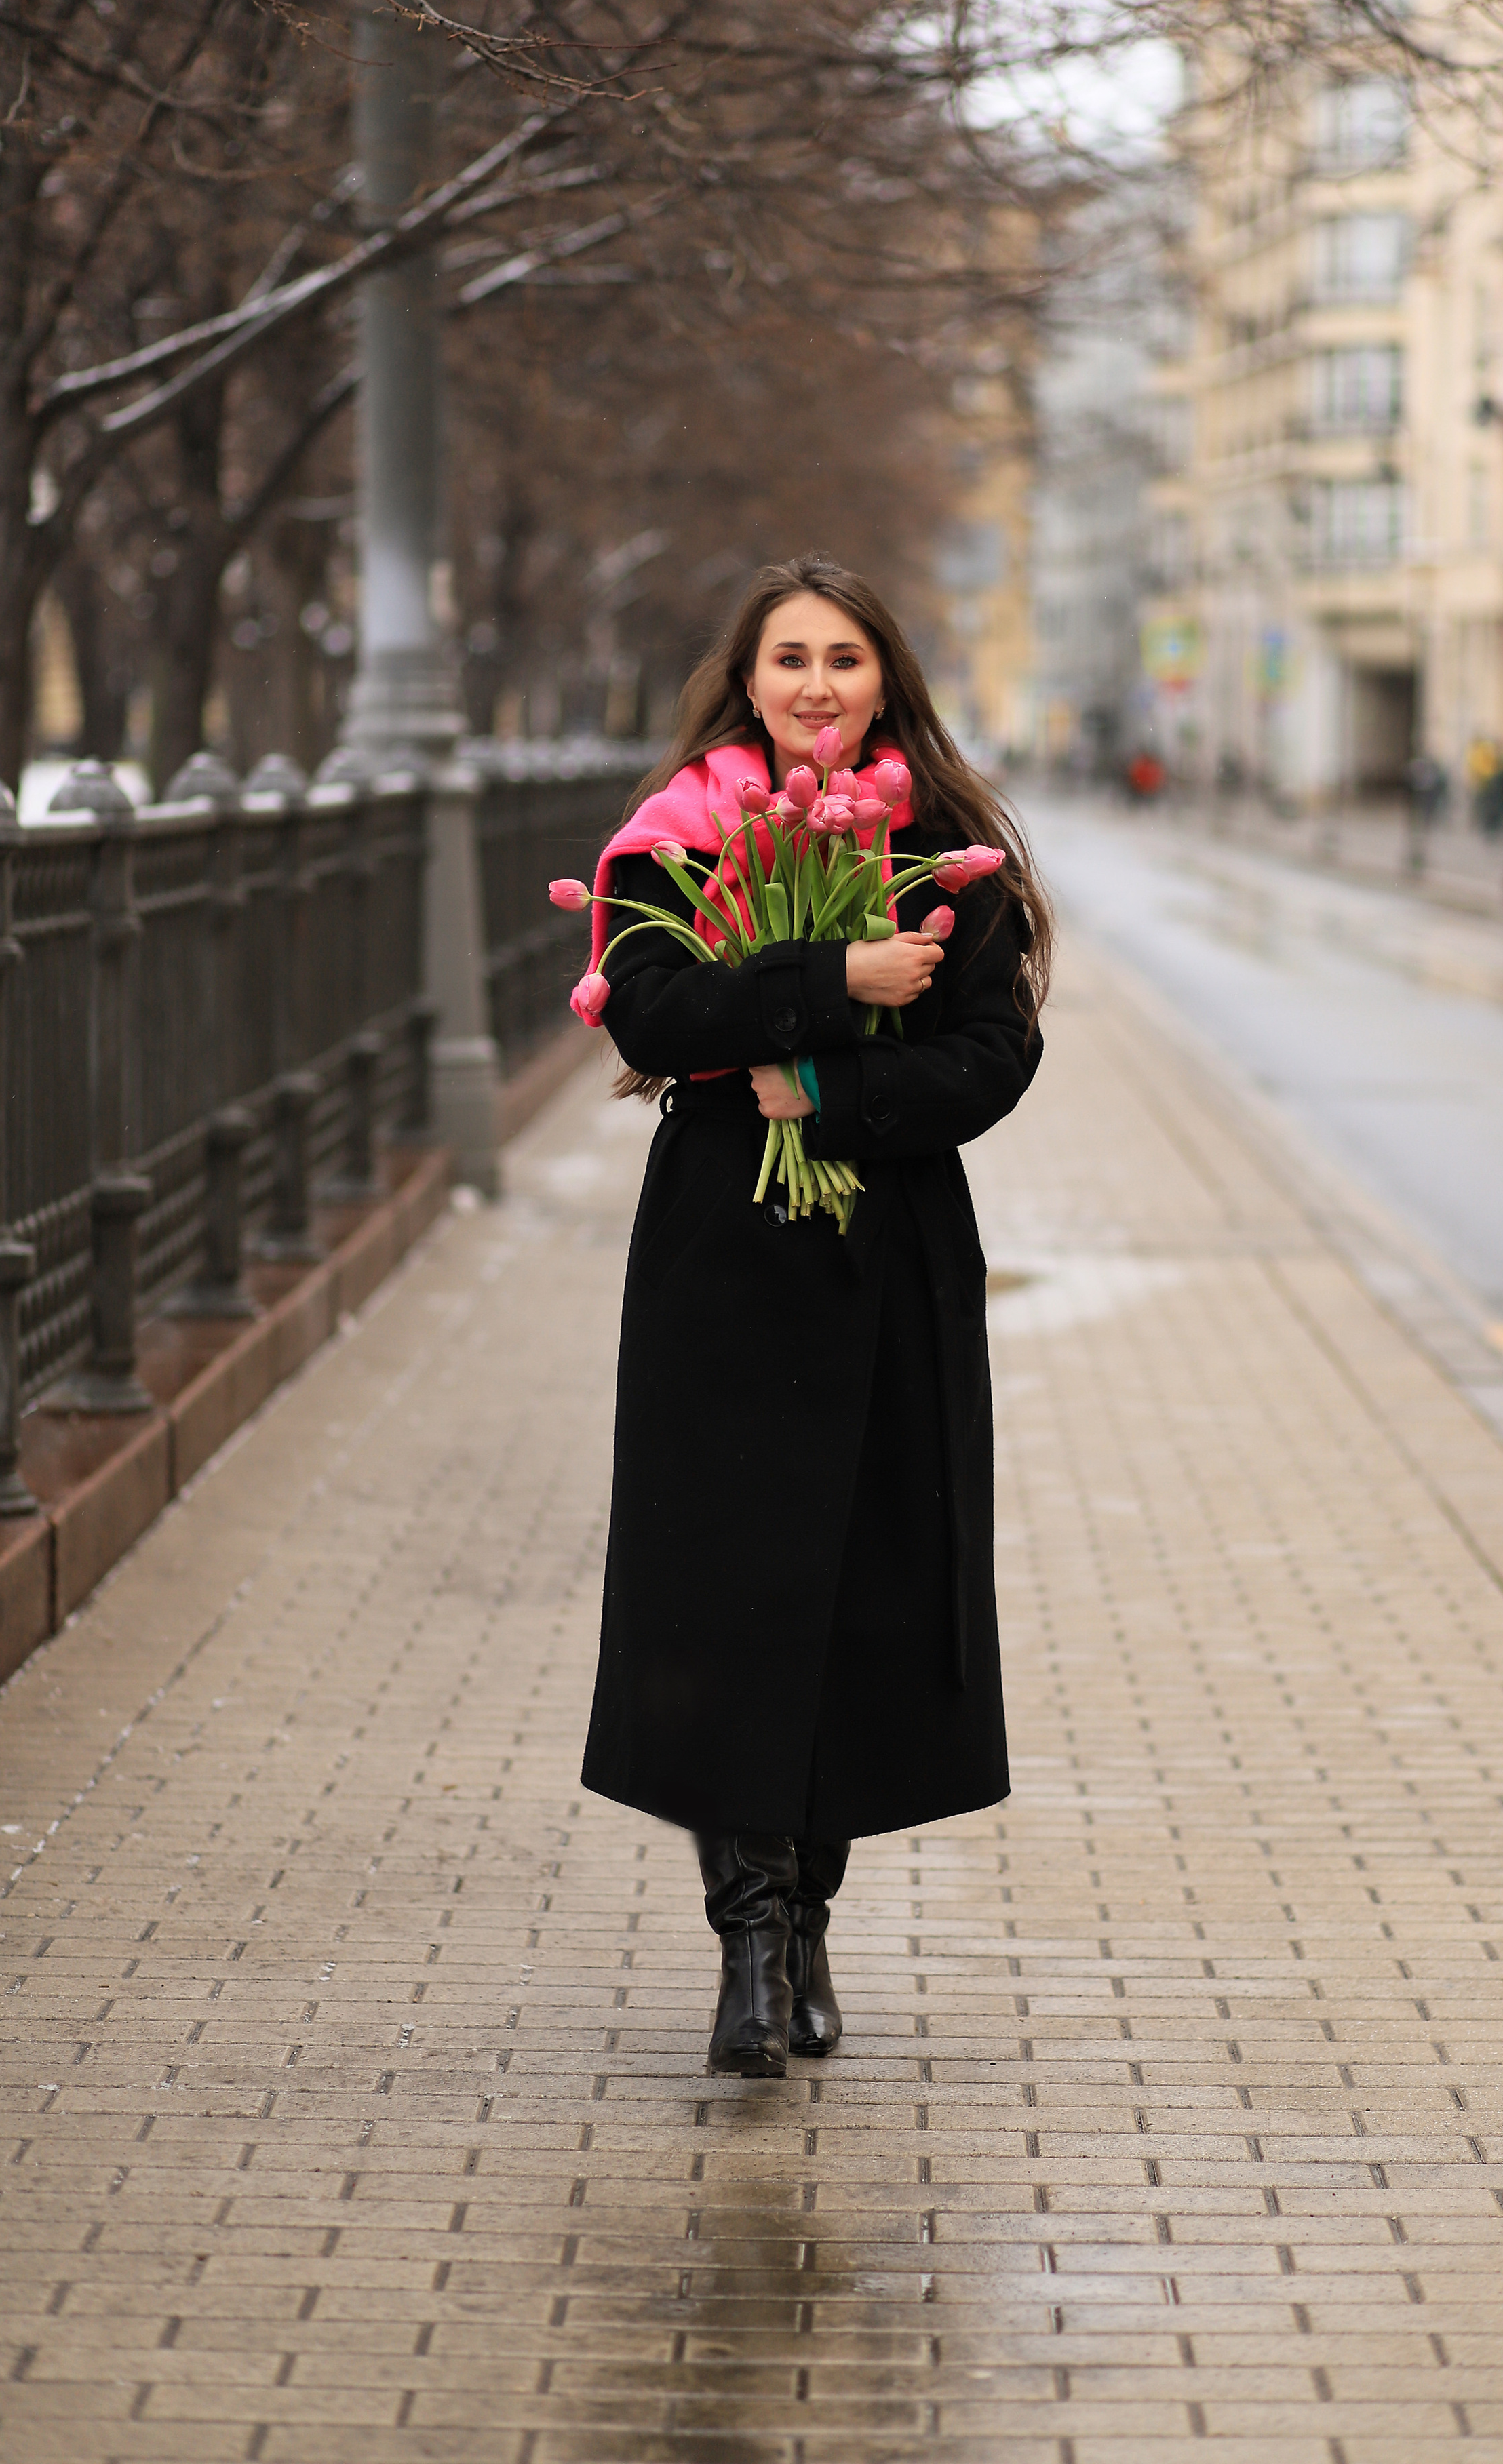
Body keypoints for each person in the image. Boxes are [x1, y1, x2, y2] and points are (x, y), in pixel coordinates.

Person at [577, 552, 1052, 2077]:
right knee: (723, 1590)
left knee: (852, 1583)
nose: (815, 688)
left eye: (844, 660)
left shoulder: (942, 841)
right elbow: (650, 1010)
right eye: (788, 659)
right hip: (723, 1247)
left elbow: (992, 1057)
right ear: (747, 680)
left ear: (883, 681)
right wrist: (833, 976)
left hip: (886, 1247)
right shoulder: (674, 838)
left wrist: (831, 1095)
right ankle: (747, 1943)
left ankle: (813, 1919)